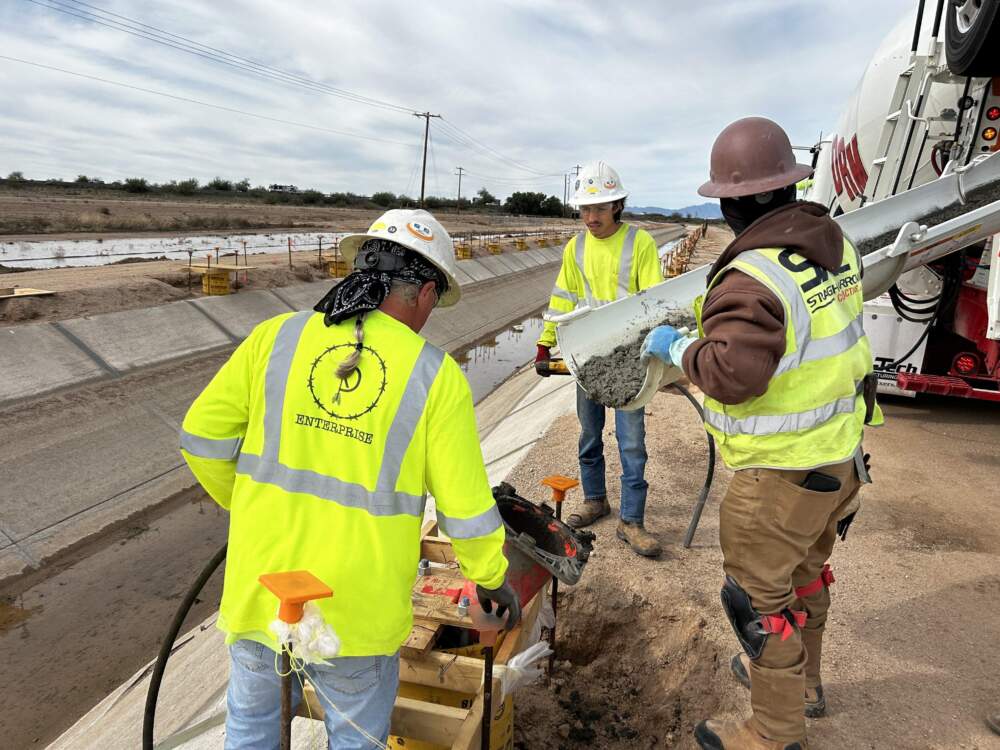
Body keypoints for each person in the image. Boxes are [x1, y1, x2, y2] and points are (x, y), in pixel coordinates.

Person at [180, 209, 520, 749]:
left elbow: (201, 440)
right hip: (356, 613)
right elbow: (465, 508)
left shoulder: (277, 337)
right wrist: (491, 578)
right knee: (357, 739)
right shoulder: (433, 375)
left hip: (261, 592)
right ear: (426, 291)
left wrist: (251, 508)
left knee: (249, 732)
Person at [642, 117, 883, 749]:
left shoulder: (752, 275)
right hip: (839, 461)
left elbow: (733, 372)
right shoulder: (833, 248)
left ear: (729, 202)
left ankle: (774, 734)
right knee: (806, 577)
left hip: (779, 475)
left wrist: (678, 347)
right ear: (788, 185)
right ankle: (805, 686)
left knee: (759, 607)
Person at [535, 161, 665, 557]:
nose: (591, 217)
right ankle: (595, 499)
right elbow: (564, 299)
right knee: (589, 435)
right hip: (587, 356)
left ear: (618, 206)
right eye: (585, 209)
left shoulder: (638, 243)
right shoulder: (575, 248)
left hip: (629, 360)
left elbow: (653, 300)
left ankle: (632, 521)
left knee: (631, 443)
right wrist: (545, 343)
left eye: (600, 208)